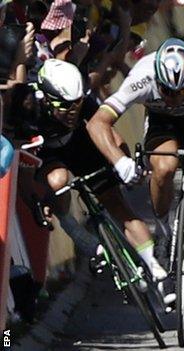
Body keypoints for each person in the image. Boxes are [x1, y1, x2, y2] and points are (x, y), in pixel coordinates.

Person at [86, 38, 184, 305]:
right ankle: (165, 230)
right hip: (163, 123)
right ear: (158, 79)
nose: (175, 97)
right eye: (167, 91)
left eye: (182, 91)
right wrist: (120, 161)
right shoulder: (142, 76)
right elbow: (97, 123)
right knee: (164, 167)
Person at [8, 59, 168, 283]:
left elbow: (111, 135)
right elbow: (19, 164)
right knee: (58, 181)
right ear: (45, 98)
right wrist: (34, 202)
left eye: (77, 104)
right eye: (65, 106)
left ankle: (153, 265)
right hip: (46, 153)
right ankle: (73, 228)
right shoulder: (24, 106)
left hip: (80, 143)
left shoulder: (82, 104)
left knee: (116, 203)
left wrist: (124, 163)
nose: (73, 111)